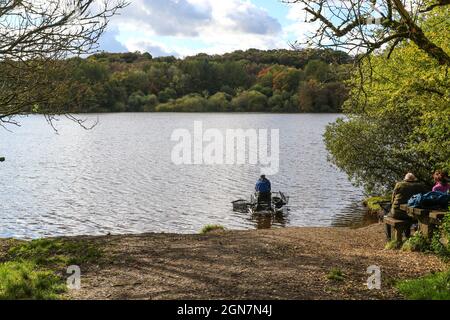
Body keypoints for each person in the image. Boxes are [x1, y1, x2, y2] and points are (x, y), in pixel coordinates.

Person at [386, 173, 428, 239]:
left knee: (386, 216)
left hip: (398, 213)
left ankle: (389, 238)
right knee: (408, 213)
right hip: (414, 215)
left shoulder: (399, 184)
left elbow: (392, 199)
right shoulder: (420, 186)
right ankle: (407, 235)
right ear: (414, 179)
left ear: (405, 179)